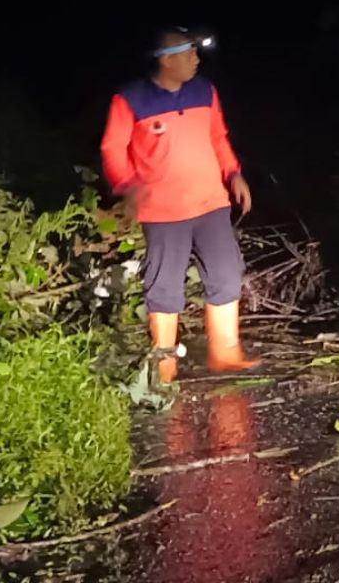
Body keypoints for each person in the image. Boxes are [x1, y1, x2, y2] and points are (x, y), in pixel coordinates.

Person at [100, 28, 258, 382]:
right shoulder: (130, 100)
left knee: (226, 274)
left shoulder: (205, 91)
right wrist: (127, 187)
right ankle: (164, 366)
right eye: (189, 53)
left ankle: (225, 353)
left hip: (211, 203)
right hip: (163, 210)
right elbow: (113, 149)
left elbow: (218, 137)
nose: (196, 59)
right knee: (164, 285)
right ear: (167, 59)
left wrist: (234, 174)